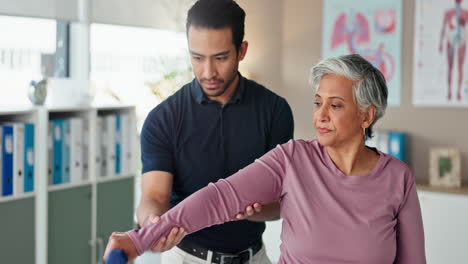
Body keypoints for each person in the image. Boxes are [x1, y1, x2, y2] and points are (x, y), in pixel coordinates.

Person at [104, 54, 426, 264]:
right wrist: (136, 240)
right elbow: (220, 196)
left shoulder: (397, 179)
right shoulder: (293, 159)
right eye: (317, 103)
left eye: (336, 105)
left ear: (366, 115)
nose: (321, 116)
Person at [134, 0, 294, 263]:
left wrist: (256, 210)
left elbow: (283, 203)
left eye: (220, 58)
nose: (208, 72)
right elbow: (154, 196)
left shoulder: (275, 111)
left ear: (241, 51)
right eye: (197, 58)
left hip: (253, 257)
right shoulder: (163, 118)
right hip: (186, 257)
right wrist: (152, 221)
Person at [439, 0, 468, 101]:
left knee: (460, 68)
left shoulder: (465, 13)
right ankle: (449, 92)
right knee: (450, 68)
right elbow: (443, 28)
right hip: (450, 42)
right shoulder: (448, 13)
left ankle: (459, 92)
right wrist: (441, 43)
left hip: (461, 43)